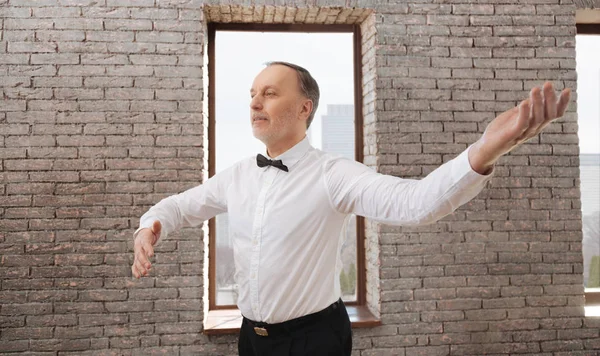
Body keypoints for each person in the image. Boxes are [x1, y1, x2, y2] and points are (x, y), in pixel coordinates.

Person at [131, 61, 571, 356]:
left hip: (316, 339)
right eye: (252, 94)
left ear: (304, 108)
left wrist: (483, 151)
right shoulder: (237, 175)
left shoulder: (333, 174)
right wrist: (149, 227)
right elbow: (179, 206)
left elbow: (414, 203)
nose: (254, 102)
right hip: (252, 339)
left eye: (269, 93)